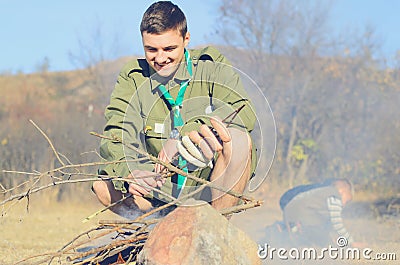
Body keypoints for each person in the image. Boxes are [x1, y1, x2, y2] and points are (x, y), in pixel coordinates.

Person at [92, 1, 257, 218]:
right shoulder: (133, 78)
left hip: (209, 187)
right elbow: (116, 134)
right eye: (151, 49)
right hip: (159, 193)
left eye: (169, 48)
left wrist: (184, 136)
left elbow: (243, 113)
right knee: (102, 186)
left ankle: (215, 231)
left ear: (186, 39)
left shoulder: (211, 65)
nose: (160, 59)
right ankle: (155, 231)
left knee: (238, 139)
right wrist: (130, 173)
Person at [281, 178, 358, 247]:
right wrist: (351, 242)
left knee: (323, 234)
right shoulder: (335, 196)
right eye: (347, 200)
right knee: (324, 240)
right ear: (343, 191)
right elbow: (337, 223)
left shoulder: (324, 192)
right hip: (299, 218)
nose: (344, 205)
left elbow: (327, 221)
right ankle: (296, 232)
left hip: (290, 213)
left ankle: (286, 229)